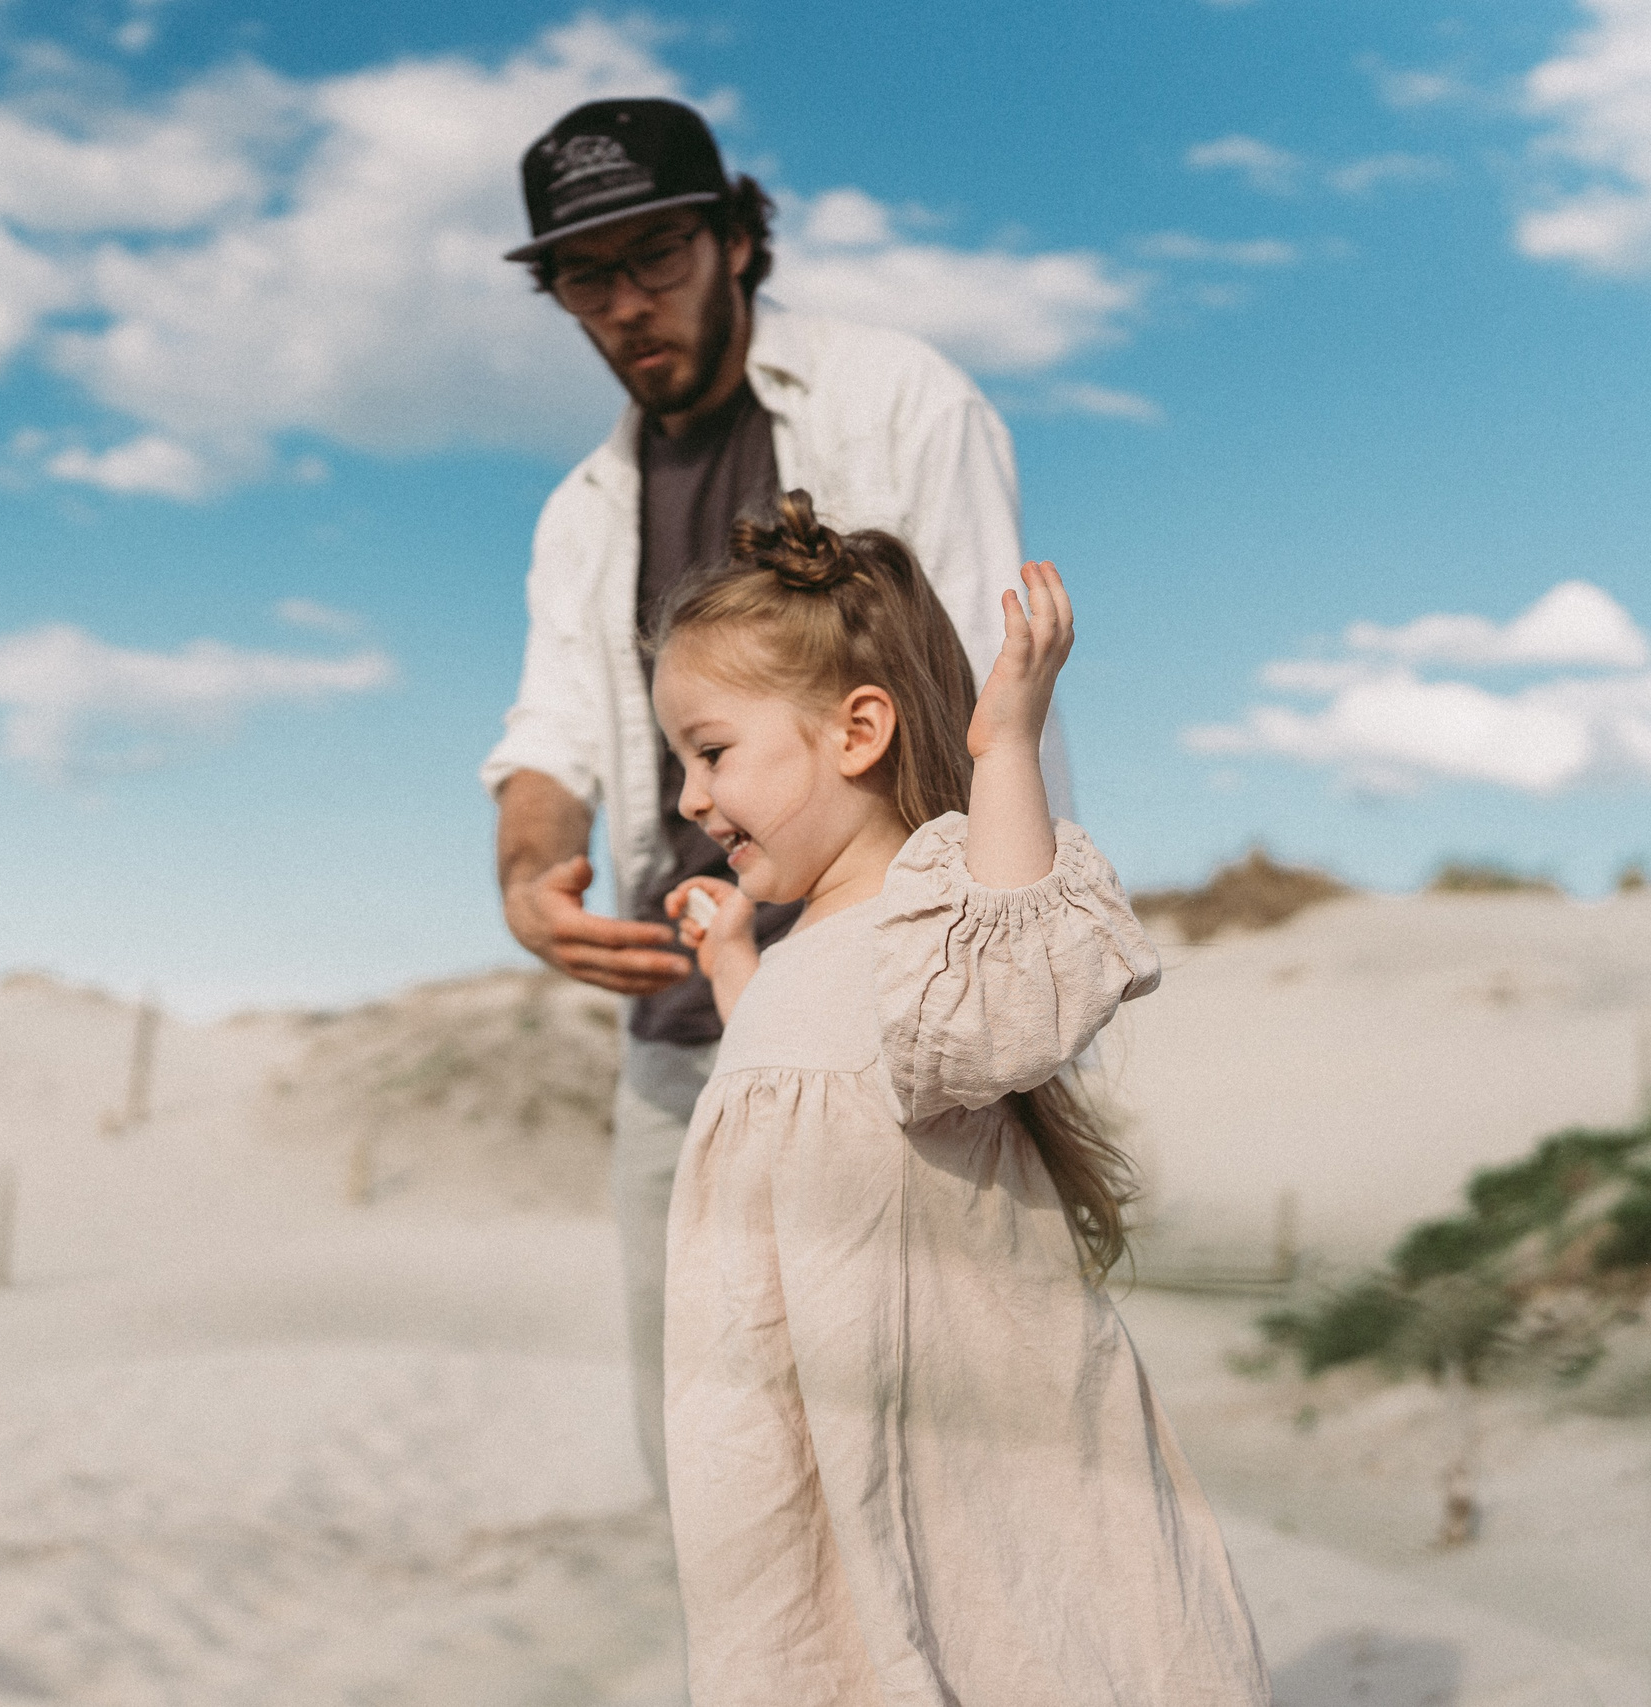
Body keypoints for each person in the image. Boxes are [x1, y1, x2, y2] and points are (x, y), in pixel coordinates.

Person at [480, 96, 1068, 1497]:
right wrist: (529, 872)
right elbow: (550, 729)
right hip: (685, 1050)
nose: (626, 303)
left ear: (739, 240)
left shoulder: (898, 401)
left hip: (908, 1046)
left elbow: (981, 704)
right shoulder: (582, 509)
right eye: (585, 275)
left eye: (658, 254)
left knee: (953, 1484)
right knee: (721, 1486)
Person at [649, 491, 1266, 1705]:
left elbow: (1008, 993)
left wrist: (1004, 751)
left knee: (992, 1636)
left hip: (944, 1440)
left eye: (711, 752)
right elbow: (800, 1105)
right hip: (795, 1444)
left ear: (857, 729)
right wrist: (734, 975)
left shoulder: (933, 934)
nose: (686, 798)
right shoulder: (803, 959)